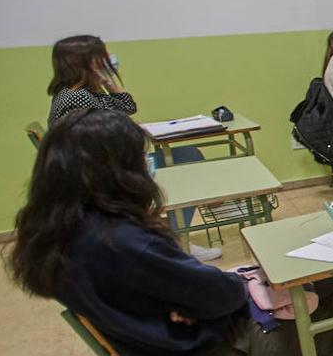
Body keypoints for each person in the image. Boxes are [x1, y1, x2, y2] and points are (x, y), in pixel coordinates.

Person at [8, 109, 333, 356]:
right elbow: (219, 297)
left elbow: (198, 293)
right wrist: (225, 291)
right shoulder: (123, 241)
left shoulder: (57, 231)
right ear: (115, 170)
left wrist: (200, 297)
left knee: (324, 288)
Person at [46, 34, 221, 262]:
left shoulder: (77, 93)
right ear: (86, 61)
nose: (109, 60)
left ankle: (178, 236)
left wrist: (109, 82)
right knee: (186, 162)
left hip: (100, 169)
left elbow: (127, 107)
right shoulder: (78, 98)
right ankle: (179, 239)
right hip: (99, 177)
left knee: (188, 155)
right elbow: (114, 129)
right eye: (102, 57)